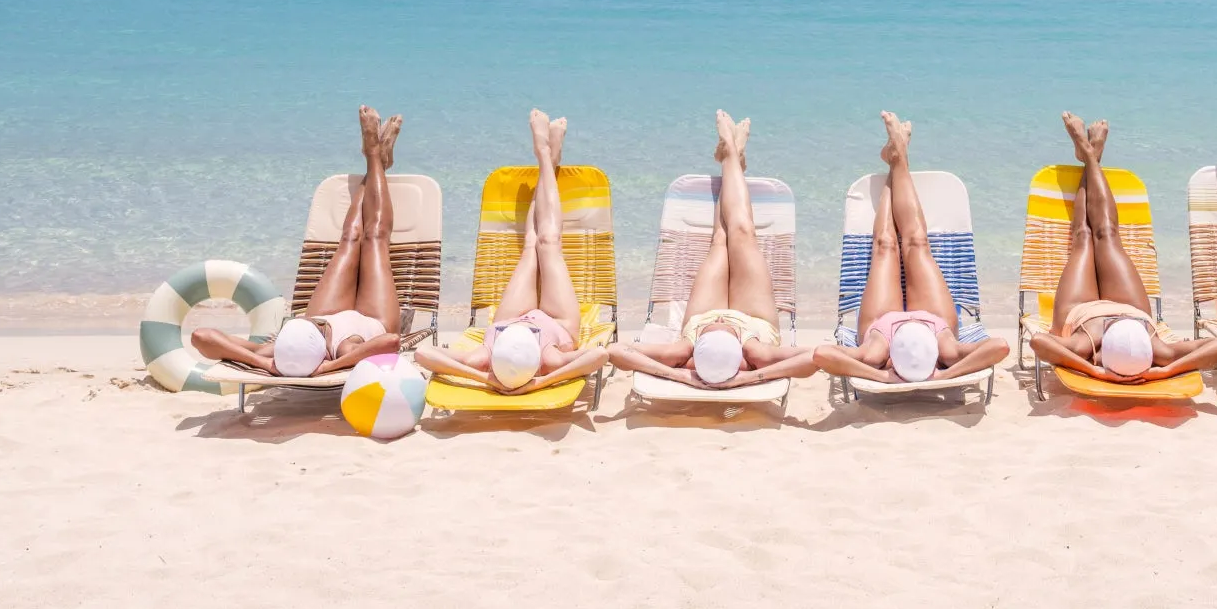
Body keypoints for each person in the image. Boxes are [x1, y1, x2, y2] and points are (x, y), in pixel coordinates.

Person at [607, 111, 819, 390]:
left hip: (699, 320)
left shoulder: (682, 354)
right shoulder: (758, 355)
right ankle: (733, 156)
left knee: (720, 237)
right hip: (755, 325)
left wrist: (678, 374)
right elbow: (819, 356)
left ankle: (731, 157)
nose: (722, 322)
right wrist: (754, 376)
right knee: (743, 232)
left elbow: (613, 352)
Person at [192, 106, 404, 377]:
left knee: (350, 238)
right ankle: (375, 154)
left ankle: (377, 161)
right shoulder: (347, 349)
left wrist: (264, 363)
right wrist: (330, 366)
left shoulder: (281, 349)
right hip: (374, 320)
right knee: (374, 237)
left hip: (324, 314)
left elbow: (201, 337)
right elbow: (391, 342)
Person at [415, 109, 612, 394]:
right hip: (557, 322)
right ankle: (546, 156)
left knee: (531, 244)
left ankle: (548, 157)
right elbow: (600, 355)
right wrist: (541, 381)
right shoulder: (549, 359)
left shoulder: (481, 359)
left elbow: (423, 355)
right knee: (548, 241)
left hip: (507, 321)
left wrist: (485, 378)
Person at [1028, 113, 1217, 384]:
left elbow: (1040, 342)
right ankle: (1090, 155)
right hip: (1132, 310)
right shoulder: (1161, 351)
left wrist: (1093, 370)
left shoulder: (1082, 345)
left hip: (1082, 315)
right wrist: (1167, 369)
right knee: (1108, 234)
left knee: (1084, 237)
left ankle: (1089, 154)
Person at [813, 111, 1011, 386]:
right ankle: (898, 157)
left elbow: (822, 354)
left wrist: (881, 375)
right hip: (935, 324)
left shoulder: (873, 356)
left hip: (882, 327)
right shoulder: (949, 352)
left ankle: (896, 158)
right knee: (917, 242)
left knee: (885, 245)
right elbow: (1000, 346)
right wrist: (945, 373)